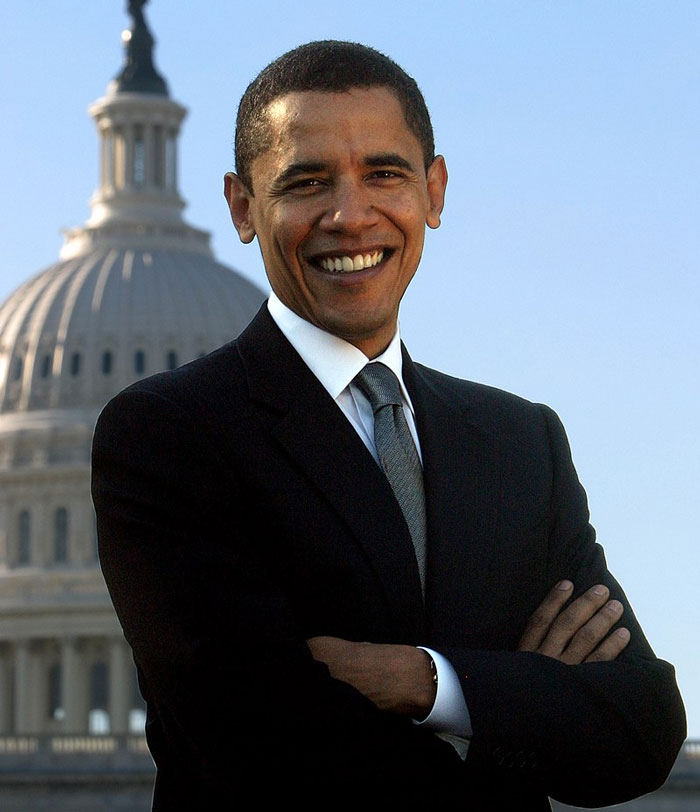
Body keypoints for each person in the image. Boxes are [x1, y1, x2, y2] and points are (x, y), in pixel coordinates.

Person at [92, 40, 685, 809]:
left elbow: (643, 729)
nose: (351, 214)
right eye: (307, 182)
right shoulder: (168, 433)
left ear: (434, 192)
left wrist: (424, 683)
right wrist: (522, 703)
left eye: (385, 173)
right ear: (244, 207)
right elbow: (255, 753)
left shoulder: (519, 440)